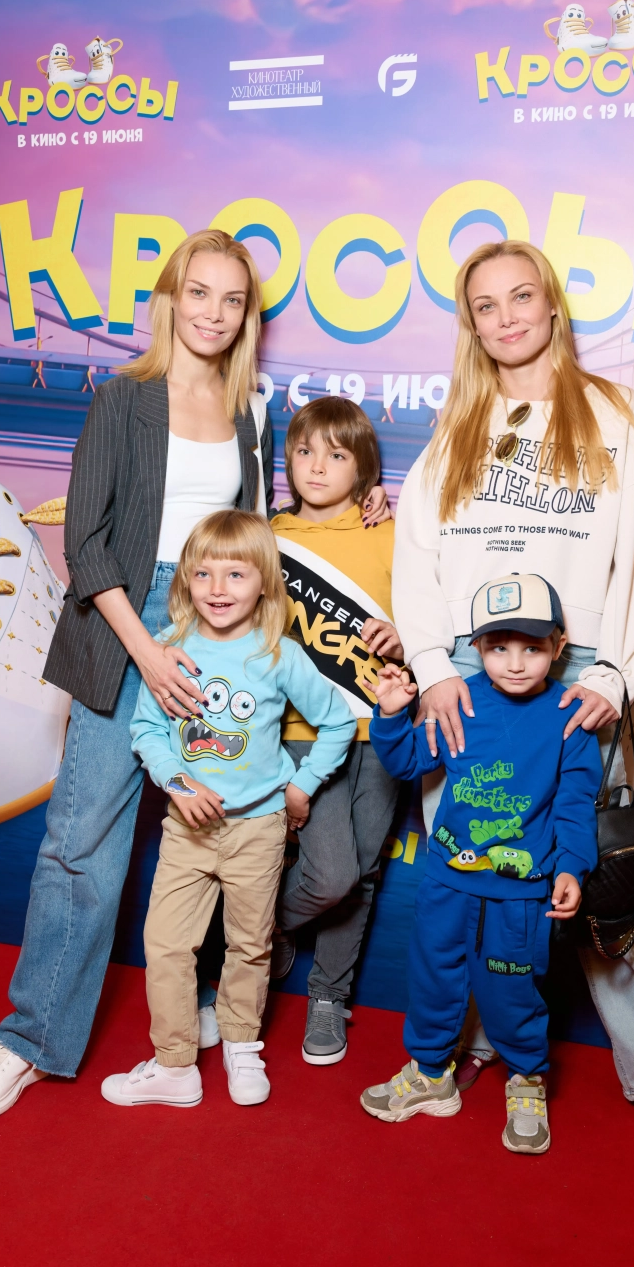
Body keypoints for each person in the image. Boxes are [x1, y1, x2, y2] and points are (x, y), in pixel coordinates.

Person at [0, 229, 388, 1123]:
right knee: (84, 843)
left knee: (233, 829)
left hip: (219, 622)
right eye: (199, 293)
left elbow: (258, 539)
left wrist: (366, 502)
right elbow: (86, 542)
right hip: (125, 621)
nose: (214, 314)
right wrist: (148, 651)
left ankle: (211, 1019)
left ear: (247, 316)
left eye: (233, 300)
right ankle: (29, 1041)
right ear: (168, 299)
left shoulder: (249, 411)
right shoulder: (122, 397)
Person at [390, 238, 634, 1157]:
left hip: (575, 666)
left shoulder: (615, 412)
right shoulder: (458, 425)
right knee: (470, 869)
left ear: (550, 306)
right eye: (486, 305)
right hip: (467, 672)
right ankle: (468, 1049)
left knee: (601, 873)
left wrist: (615, 670)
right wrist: (431, 668)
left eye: (521, 297)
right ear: (472, 325)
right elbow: (417, 557)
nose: (506, 317)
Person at [101, 511, 356, 1108]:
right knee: (166, 945)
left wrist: (303, 785)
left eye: (236, 574)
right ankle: (175, 1065)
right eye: (204, 573)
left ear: (264, 582)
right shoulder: (168, 650)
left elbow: (338, 721)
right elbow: (147, 731)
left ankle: (242, 1046)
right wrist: (178, 783)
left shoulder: (279, 655)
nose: (218, 589)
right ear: (186, 580)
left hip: (259, 829)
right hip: (186, 830)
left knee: (249, 944)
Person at [361, 575, 600, 1152]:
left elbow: (575, 802)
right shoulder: (458, 700)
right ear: (476, 647)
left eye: (532, 648)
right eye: (498, 647)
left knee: (512, 993)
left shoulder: (568, 715)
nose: (515, 663)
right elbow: (409, 762)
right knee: (432, 977)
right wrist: (391, 715)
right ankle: (431, 1075)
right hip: (447, 880)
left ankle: (526, 1078)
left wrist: (572, 867)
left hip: (520, 893)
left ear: (559, 646)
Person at [268, 397, 402, 1065]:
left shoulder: (391, 535)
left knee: (365, 872)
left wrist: (404, 636)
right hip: (302, 730)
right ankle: (262, 931)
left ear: (364, 469)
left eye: (337, 454)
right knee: (332, 875)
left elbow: (430, 624)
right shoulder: (267, 535)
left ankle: (330, 994)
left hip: (381, 729)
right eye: (305, 451)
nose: (317, 467)